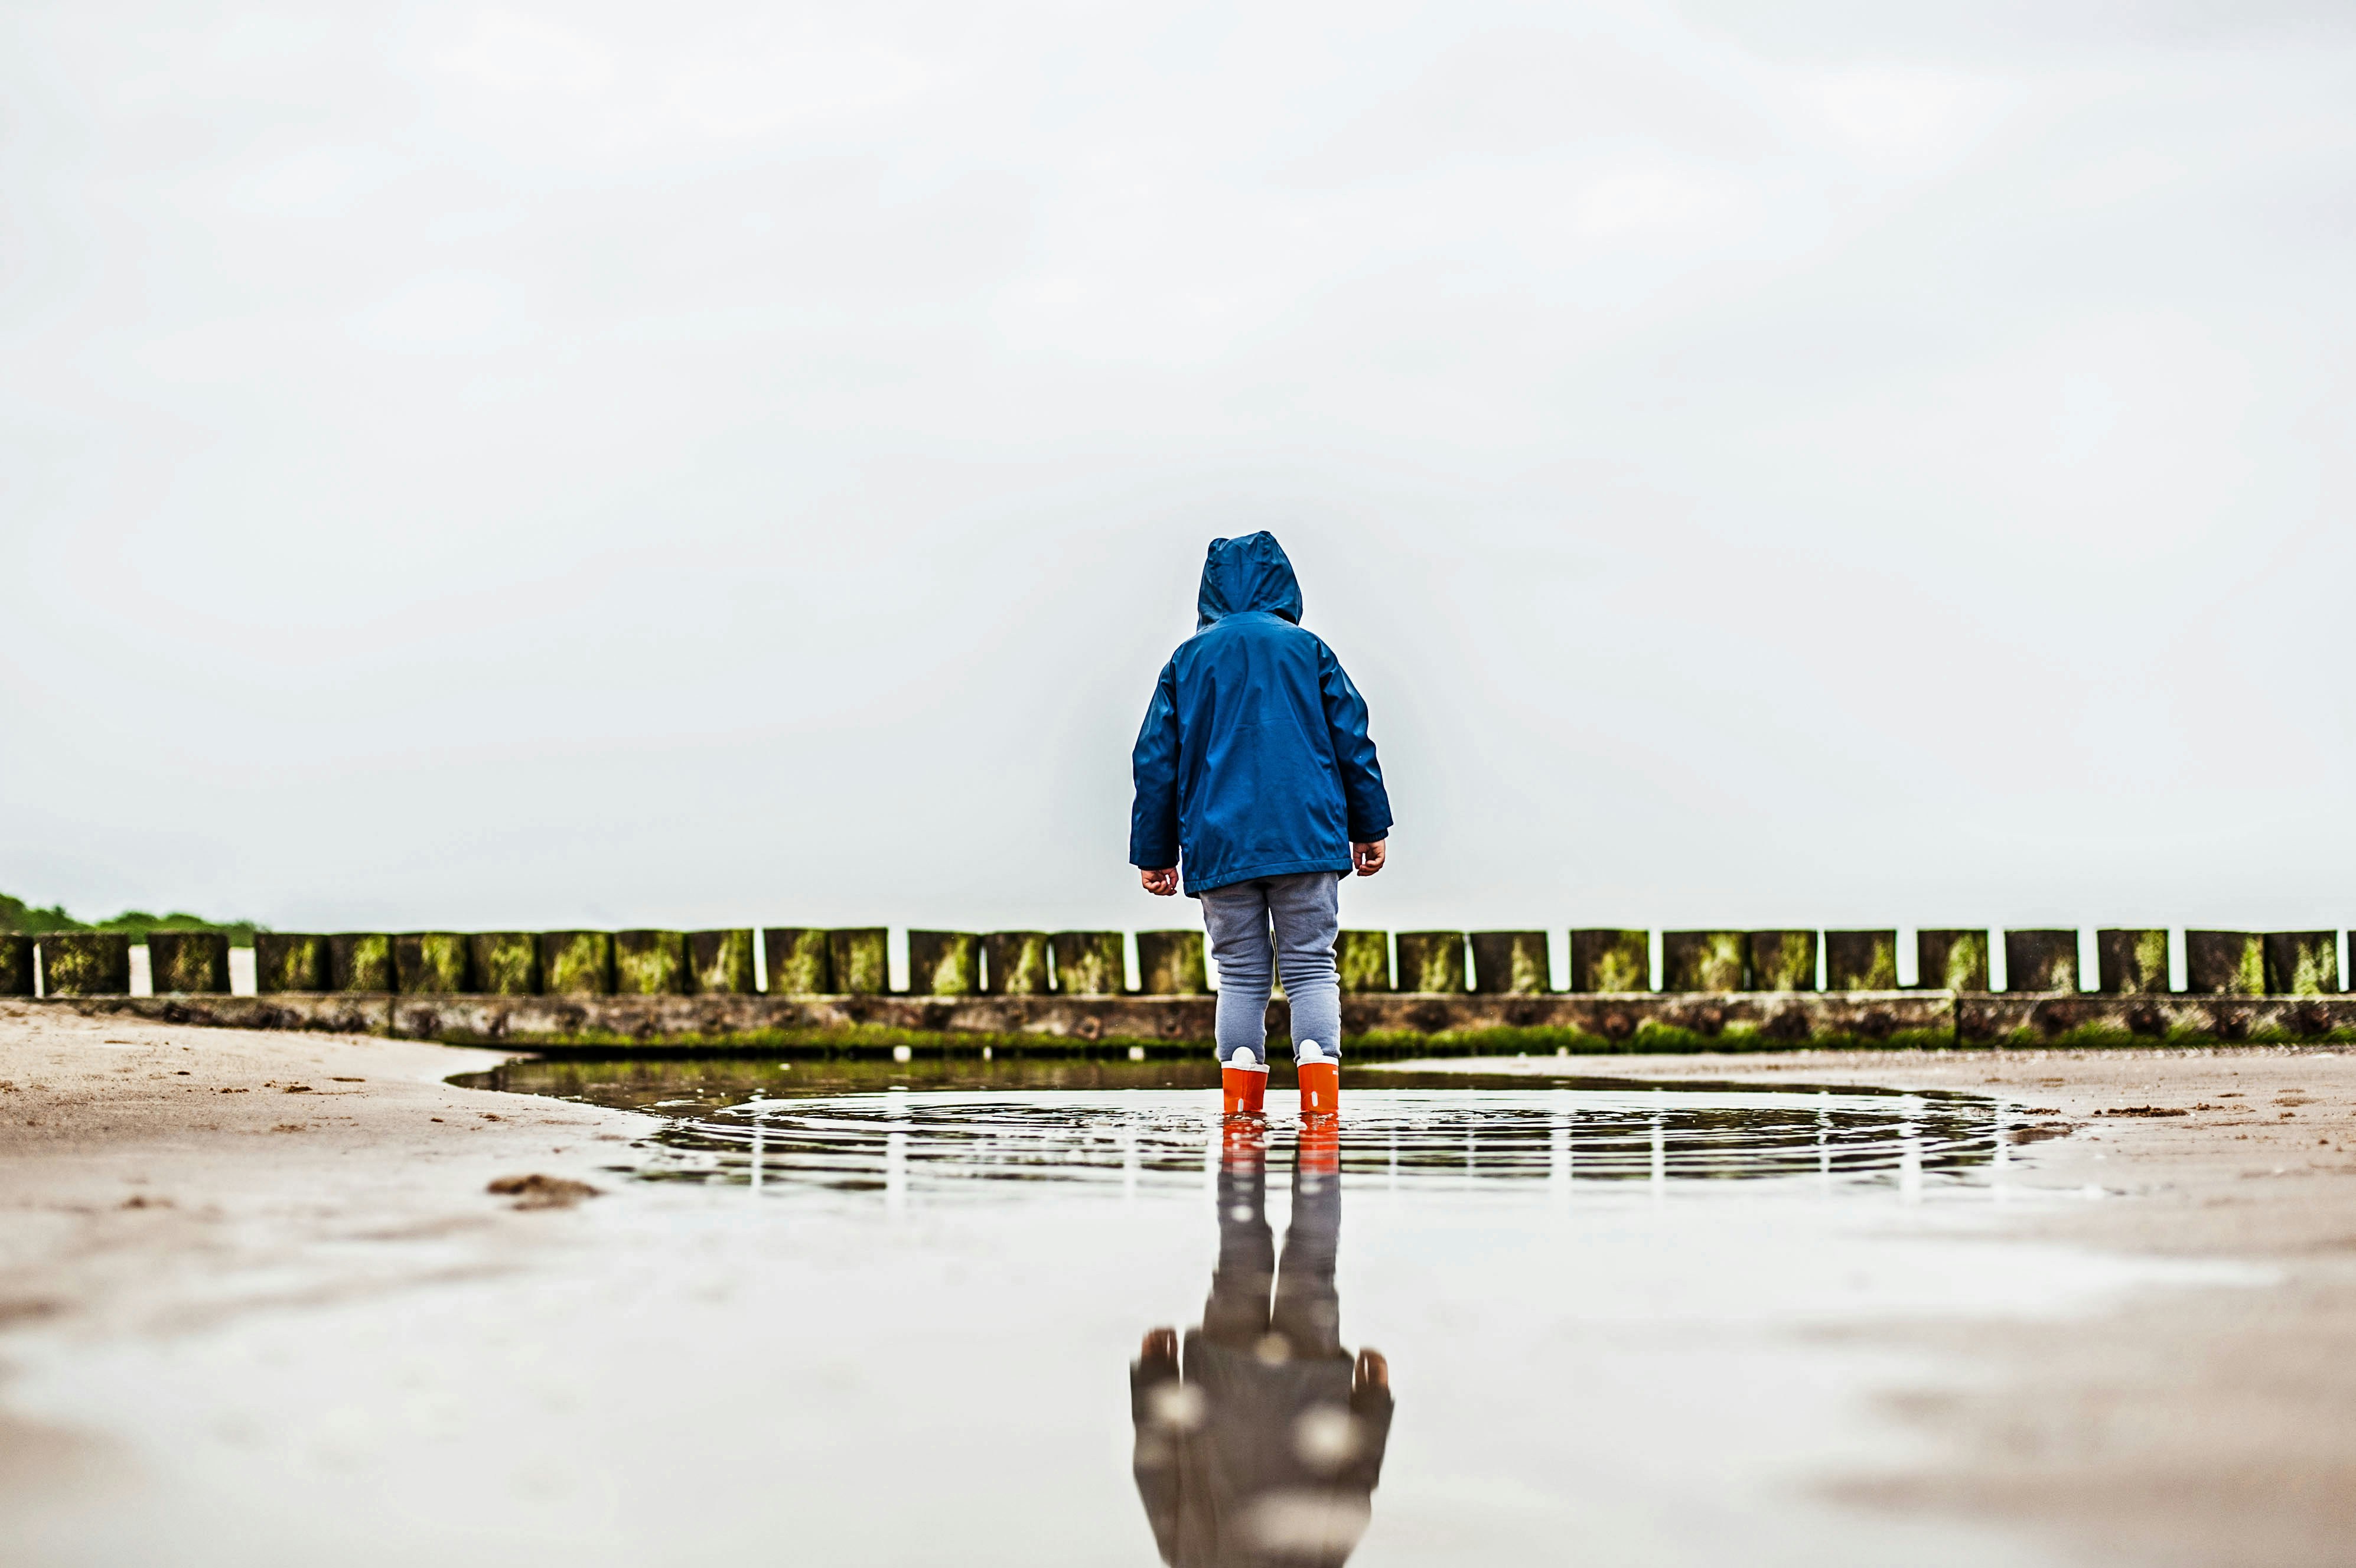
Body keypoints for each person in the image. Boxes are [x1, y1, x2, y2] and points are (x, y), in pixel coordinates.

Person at [1129, 533, 1392, 1118]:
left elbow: (1153, 759)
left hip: (1220, 845)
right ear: (1282, 582)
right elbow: (1352, 739)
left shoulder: (1186, 661)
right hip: (1306, 841)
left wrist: (1155, 852)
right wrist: (1369, 826)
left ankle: (1241, 1118)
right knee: (1309, 967)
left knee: (1241, 974)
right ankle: (1320, 1114)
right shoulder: (1308, 650)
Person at [1130, 1121, 1393, 1566]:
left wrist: (1373, 1402)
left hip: (1307, 1384)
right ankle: (1255, 1113)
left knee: (1313, 1257)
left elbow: (1353, 1496)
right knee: (1240, 1250)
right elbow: (1157, 1474)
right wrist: (1154, 1375)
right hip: (1222, 1376)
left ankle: (1310, 1130)